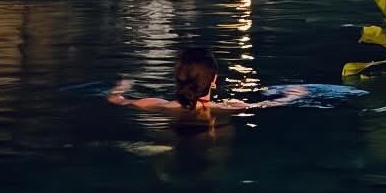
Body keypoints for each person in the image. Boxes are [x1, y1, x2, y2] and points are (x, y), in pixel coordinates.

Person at [108, 48, 309, 120]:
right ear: (214, 81)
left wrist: (122, 86)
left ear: (178, 78)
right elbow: (269, 105)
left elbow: (115, 100)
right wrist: (294, 94)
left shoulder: (158, 105)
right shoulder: (228, 107)